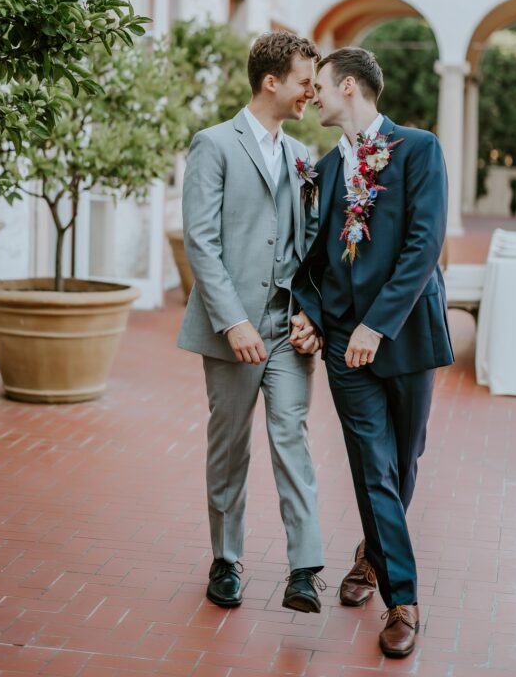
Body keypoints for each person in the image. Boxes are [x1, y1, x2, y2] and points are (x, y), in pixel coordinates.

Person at [291, 46, 454, 658]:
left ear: (352, 88)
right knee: (373, 464)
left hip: (405, 338)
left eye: (322, 87)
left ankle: (370, 553)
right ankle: (403, 600)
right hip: (345, 350)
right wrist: (311, 316)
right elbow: (314, 261)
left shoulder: (418, 149)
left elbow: (423, 245)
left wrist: (377, 326)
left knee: (404, 460)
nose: (314, 97)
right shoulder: (325, 170)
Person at [178, 31, 325, 613]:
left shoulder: (302, 157)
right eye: (305, 82)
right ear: (273, 81)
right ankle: (226, 559)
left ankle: (305, 569)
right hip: (231, 330)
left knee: (293, 437)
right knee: (229, 443)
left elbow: (311, 243)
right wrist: (233, 322)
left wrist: (311, 312)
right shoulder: (213, 145)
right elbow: (201, 241)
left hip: (287, 329)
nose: (311, 93)